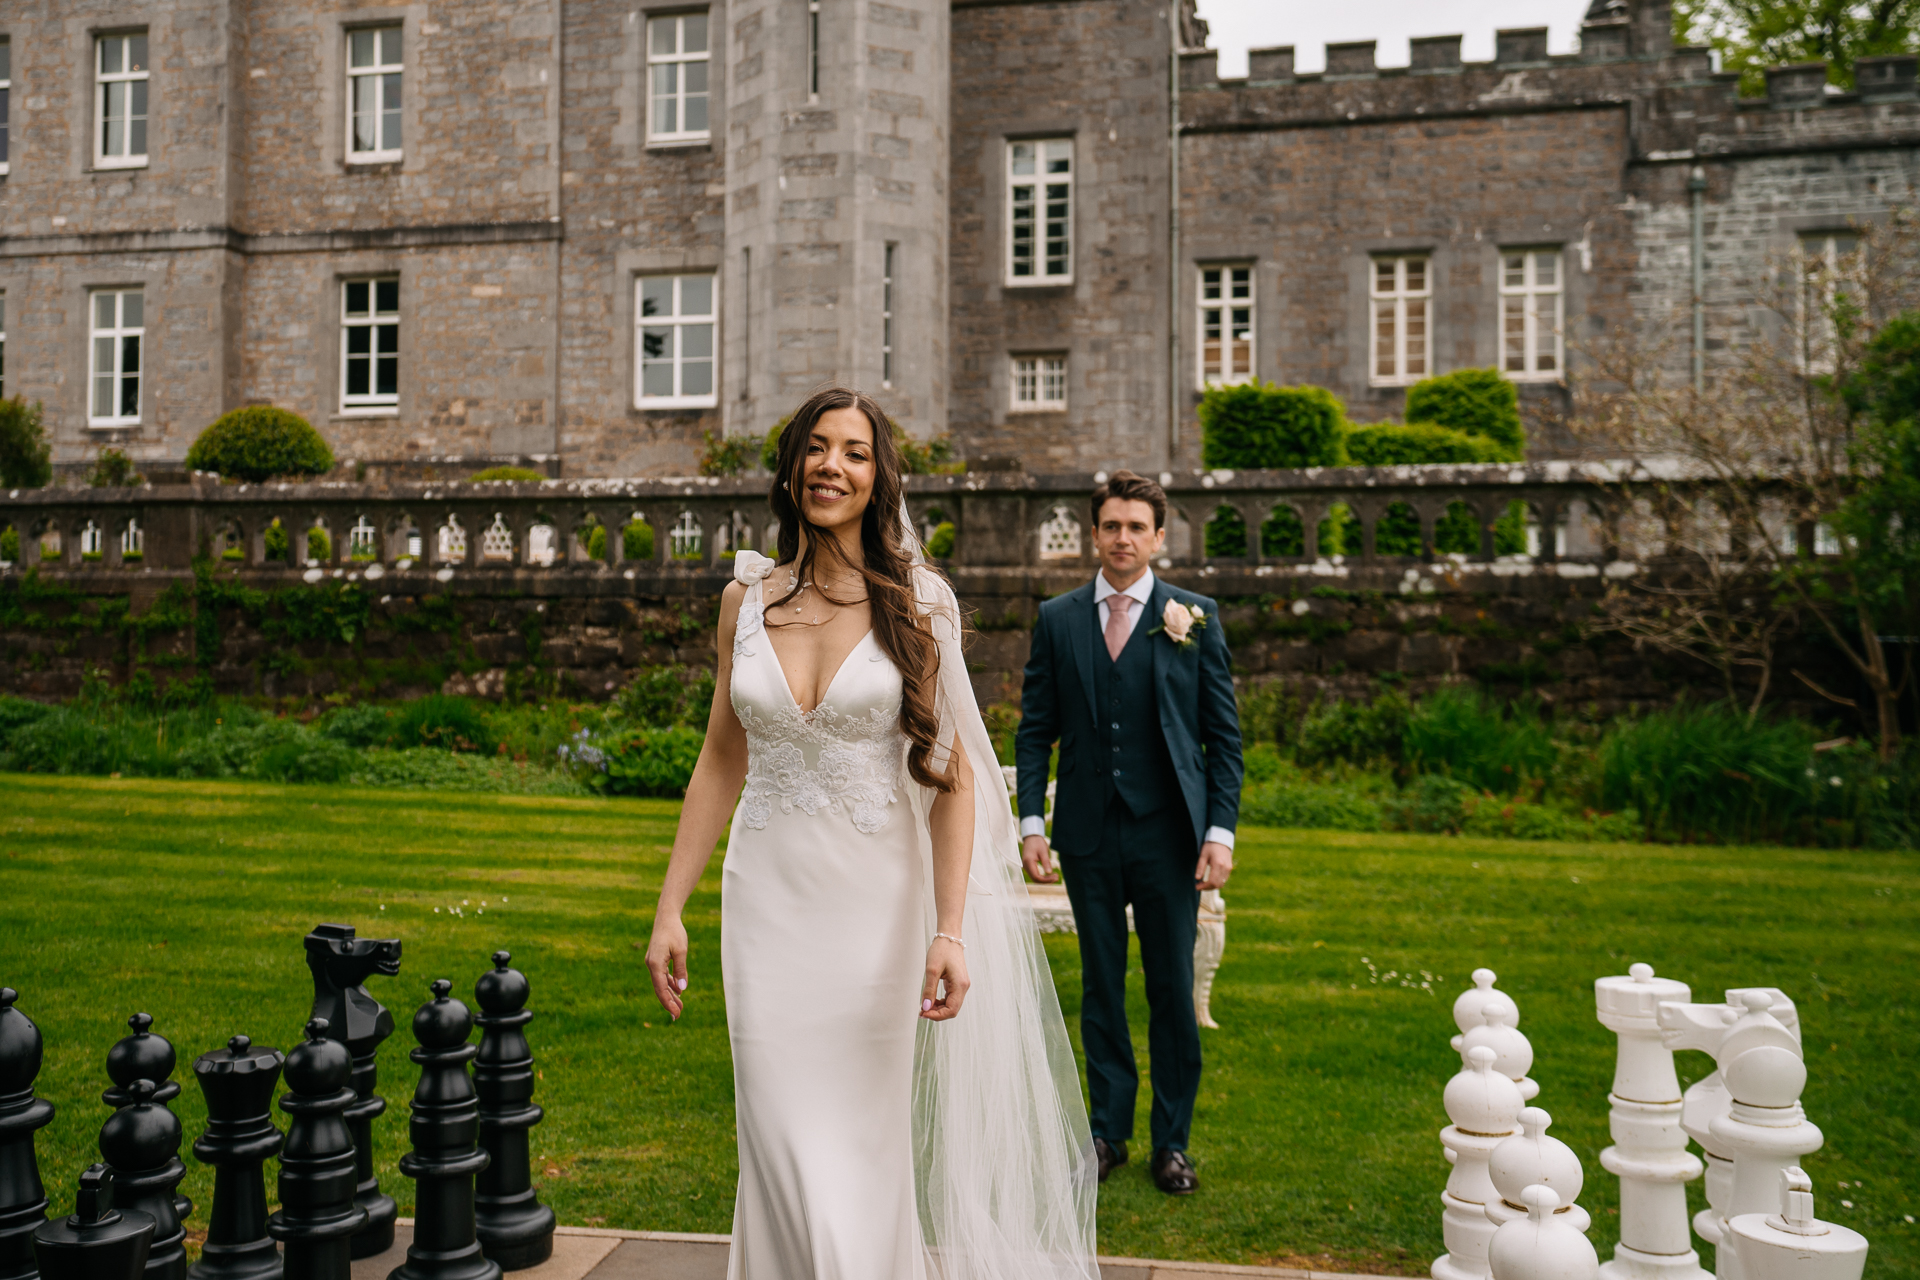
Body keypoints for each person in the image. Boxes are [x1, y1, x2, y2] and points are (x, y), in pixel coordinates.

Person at [643, 387, 1097, 1280]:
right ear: (790, 466)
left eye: (853, 451)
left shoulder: (920, 604)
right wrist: (669, 910)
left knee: (856, 1149)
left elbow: (956, 776)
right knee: (775, 1143)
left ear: (878, 476)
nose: (831, 466)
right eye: (816, 447)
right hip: (765, 904)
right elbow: (719, 761)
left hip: (874, 917)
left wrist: (950, 926)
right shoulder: (746, 600)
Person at [1014, 468, 1243, 1196]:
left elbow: (1222, 740)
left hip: (1169, 834)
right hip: (1085, 832)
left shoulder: (1193, 616)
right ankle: (1107, 1134)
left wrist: (1221, 832)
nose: (1122, 538)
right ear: (1095, 532)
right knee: (1102, 988)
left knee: (1172, 987)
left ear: (1158, 536)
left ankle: (1172, 1142)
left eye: (1135, 527)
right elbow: (1035, 731)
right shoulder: (1058, 618)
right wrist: (1030, 824)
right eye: (1111, 525)